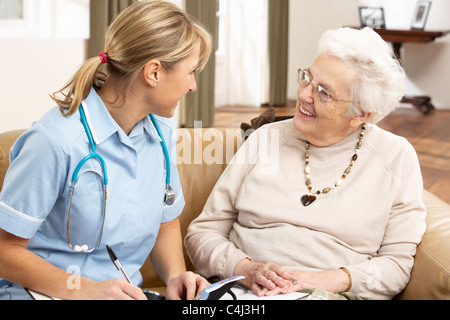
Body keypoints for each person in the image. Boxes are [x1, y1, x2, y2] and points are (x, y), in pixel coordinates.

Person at [185, 27, 427, 300]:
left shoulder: (395, 158)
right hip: (241, 291)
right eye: (307, 78)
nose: (303, 95)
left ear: (360, 113)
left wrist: (319, 280)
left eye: (324, 92)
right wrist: (246, 269)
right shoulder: (265, 139)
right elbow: (202, 233)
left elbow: (396, 265)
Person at [0, 0, 212, 300]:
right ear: (153, 73)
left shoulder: (160, 135)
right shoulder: (54, 140)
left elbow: (165, 221)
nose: (192, 86)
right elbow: (4, 251)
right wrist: (86, 290)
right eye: (191, 72)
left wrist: (177, 276)